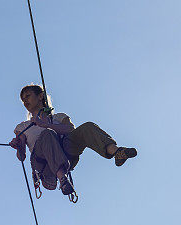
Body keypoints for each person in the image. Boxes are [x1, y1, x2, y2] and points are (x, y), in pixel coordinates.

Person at [9, 84, 137, 197]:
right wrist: (18, 146)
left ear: (40, 96)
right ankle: (62, 179)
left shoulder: (60, 117)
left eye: (28, 96)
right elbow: (21, 157)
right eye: (23, 99)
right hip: (43, 162)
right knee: (47, 134)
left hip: (66, 152)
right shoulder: (22, 127)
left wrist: (46, 124)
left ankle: (116, 152)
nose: (25, 101)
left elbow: (71, 130)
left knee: (87, 127)